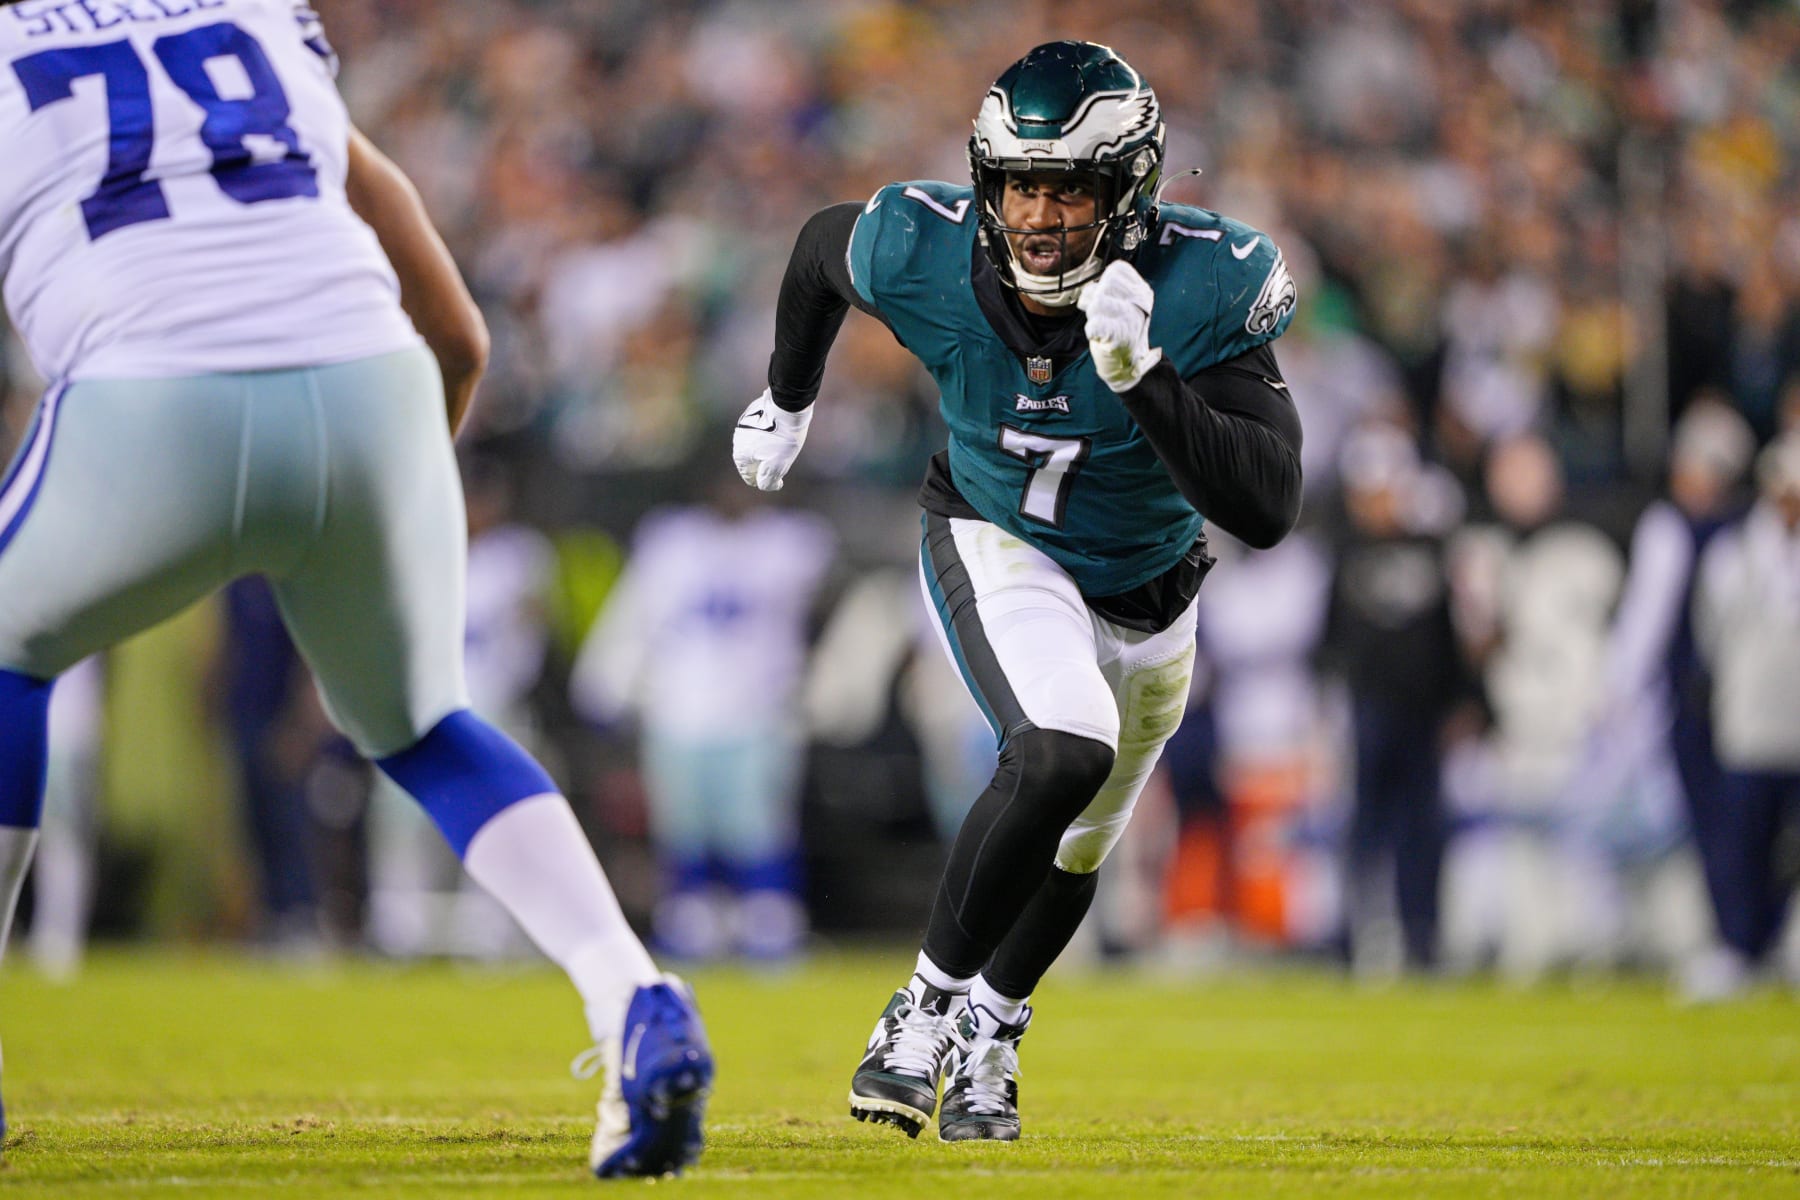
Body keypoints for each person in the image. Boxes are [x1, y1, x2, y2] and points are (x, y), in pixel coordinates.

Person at [0, 1, 709, 1176]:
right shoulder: (258, 18)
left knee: (8, 658)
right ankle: (628, 990)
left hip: (147, 387)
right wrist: (383, 507)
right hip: (374, 382)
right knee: (422, 723)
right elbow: (461, 336)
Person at [732, 40, 1302, 1141]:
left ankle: (994, 1033)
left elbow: (1268, 506)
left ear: (1128, 190)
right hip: (999, 534)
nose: (1039, 216)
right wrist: (787, 399)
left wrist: (1145, 378)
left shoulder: (1206, 280)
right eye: (1019, 185)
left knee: (1080, 843)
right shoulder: (922, 245)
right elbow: (817, 252)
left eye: (1069, 189)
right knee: (1061, 748)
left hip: (1154, 586)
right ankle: (923, 1010)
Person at [1690, 433, 1800, 999]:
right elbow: (1712, 635)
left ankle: (1787, 944)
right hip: (1751, 722)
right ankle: (1738, 945)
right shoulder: (1735, 554)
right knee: (1743, 845)